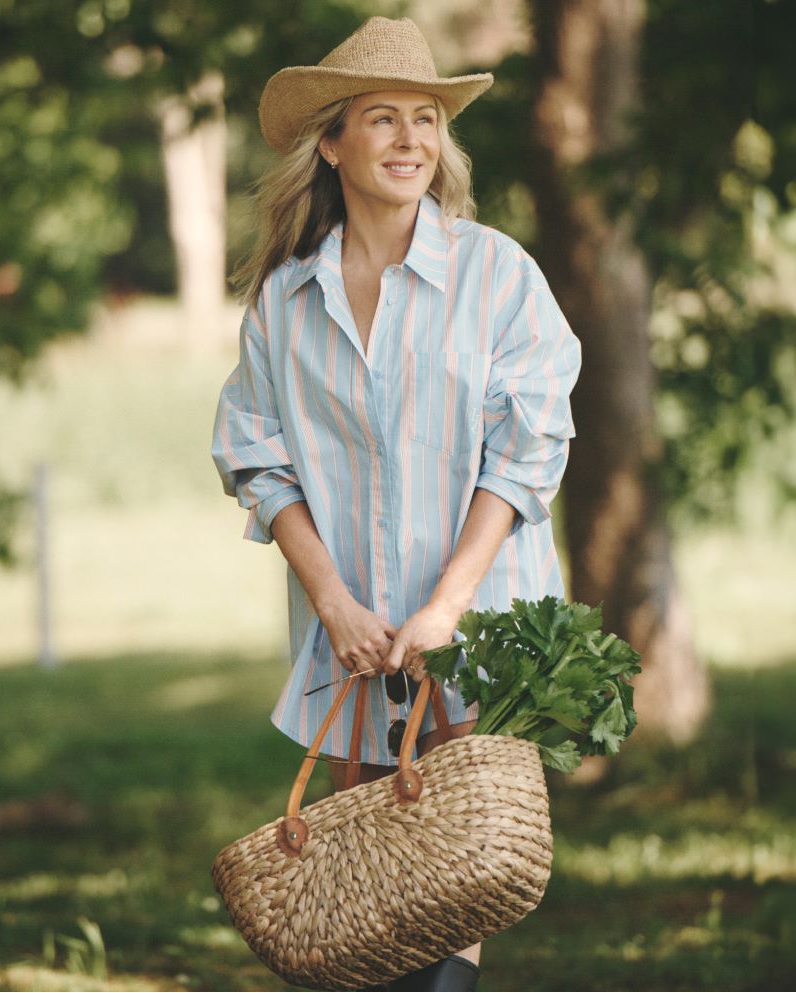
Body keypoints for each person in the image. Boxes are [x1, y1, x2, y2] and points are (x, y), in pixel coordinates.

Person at [212, 16, 581, 992]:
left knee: (452, 863)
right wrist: (332, 600)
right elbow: (256, 458)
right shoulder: (285, 302)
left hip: (475, 621)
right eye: (383, 118)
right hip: (352, 632)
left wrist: (446, 611)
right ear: (330, 143)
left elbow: (525, 451)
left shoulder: (498, 277)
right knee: (364, 876)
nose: (412, 138)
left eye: (426, 118)